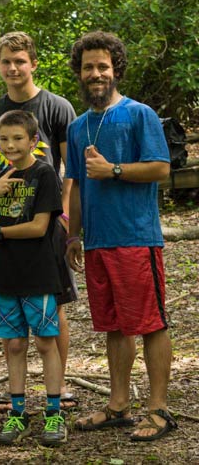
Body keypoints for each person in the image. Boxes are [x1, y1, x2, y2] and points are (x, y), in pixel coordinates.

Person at [65, 31, 176, 441]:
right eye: (88, 67)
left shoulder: (138, 114)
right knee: (114, 326)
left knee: (150, 323)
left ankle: (159, 410)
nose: (96, 74)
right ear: (79, 72)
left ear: (115, 71)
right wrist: (73, 235)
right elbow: (75, 184)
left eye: (103, 67)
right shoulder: (78, 128)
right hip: (97, 241)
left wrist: (113, 169)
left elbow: (161, 168)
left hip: (135, 237)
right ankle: (117, 404)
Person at [0, 31, 79, 412]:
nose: (13, 68)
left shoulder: (57, 107)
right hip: (2, 224)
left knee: (54, 304)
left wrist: (63, 216)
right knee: (9, 302)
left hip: (45, 220)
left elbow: (70, 167)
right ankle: (17, 395)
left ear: (33, 63)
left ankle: (58, 386)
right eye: (6, 62)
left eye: (20, 61)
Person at [0, 110, 67, 446]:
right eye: (4, 139)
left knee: (46, 343)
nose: (11, 145)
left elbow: (38, 227)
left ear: (33, 140)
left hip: (39, 273)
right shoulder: (0, 176)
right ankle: (17, 413)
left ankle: (53, 411)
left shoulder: (44, 174)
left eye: (18, 138)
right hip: (6, 274)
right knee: (14, 344)